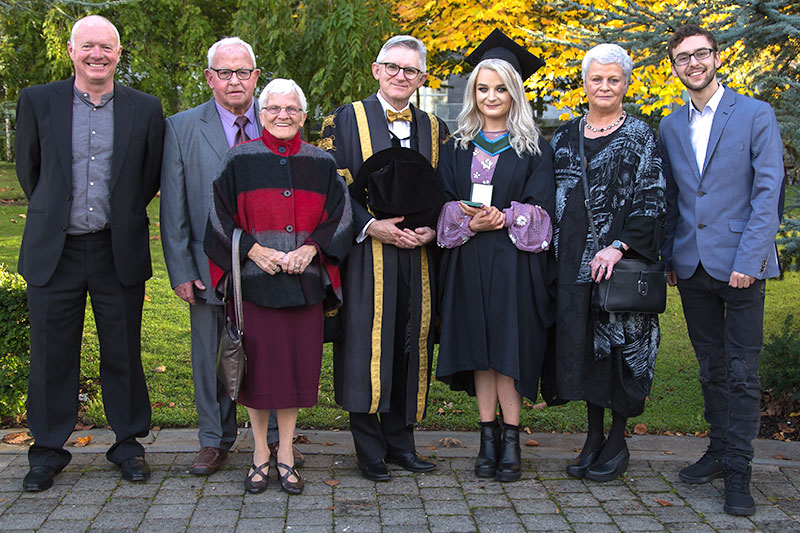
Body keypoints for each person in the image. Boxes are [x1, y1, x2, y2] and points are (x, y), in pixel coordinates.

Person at [15, 15, 164, 492]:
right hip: (53, 250)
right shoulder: (39, 100)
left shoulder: (145, 108)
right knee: (51, 355)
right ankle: (48, 450)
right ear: (71, 50)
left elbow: (147, 178)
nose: (97, 54)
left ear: (119, 54)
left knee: (122, 351)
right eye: (88, 46)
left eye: (107, 46)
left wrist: (117, 215)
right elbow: (29, 170)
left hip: (114, 248)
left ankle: (127, 444)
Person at [160, 37, 302, 476]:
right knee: (210, 354)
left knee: (271, 349)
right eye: (225, 72)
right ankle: (214, 440)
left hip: (269, 262)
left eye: (243, 72)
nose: (235, 80)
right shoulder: (181, 127)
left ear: (256, 76)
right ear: (210, 78)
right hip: (209, 265)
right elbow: (174, 208)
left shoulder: (278, 117)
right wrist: (181, 269)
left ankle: (278, 441)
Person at [659, 24, 784, 516]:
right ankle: (716, 451)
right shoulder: (671, 125)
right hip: (691, 266)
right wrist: (671, 255)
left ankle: (740, 471)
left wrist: (749, 261)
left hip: (741, 268)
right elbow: (673, 198)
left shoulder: (755, 114)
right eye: (683, 58)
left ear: (716, 57)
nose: (693, 63)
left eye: (701, 54)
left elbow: (766, 193)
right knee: (710, 367)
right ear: (674, 66)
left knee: (741, 372)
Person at [204, 79, 352, 494]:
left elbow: (341, 218)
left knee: (290, 372)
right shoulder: (239, 159)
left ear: (303, 115)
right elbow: (217, 219)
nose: (283, 115)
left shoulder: (321, 162)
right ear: (261, 114)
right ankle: (259, 454)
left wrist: (312, 250)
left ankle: (285, 452)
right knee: (256, 374)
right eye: (274, 109)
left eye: (292, 109)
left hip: (303, 285)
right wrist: (252, 251)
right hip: (254, 286)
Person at [319, 35, 449, 481]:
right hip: (366, 256)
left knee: (409, 343)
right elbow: (332, 184)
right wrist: (370, 226)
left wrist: (433, 227)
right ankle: (369, 450)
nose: (400, 76)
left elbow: (443, 190)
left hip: (417, 255)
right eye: (392, 67)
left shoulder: (435, 128)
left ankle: (402, 444)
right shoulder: (344, 119)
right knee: (366, 346)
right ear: (376, 69)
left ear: (422, 77)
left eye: (410, 70)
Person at [435, 29, 556, 483]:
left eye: (500, 88)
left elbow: (543, 210)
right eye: (483, 88)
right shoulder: (456, 147)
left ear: (514, 93)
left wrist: (506, 219)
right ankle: (486, 439)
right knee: (478, 350)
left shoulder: (533, 148)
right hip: (469, 263)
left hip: (512, 265)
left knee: (507, 350)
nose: (491, 96)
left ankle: (511, 440)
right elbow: (443, 203)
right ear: (473, 93)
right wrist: (467, 220)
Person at [548, 43, 665, 483]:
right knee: (587, 351)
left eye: (613, 79)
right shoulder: (563, 137)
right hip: (572, 270)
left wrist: (618, 246)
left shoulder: (641, 136)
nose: (604, 86)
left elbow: (652, 199)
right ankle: (593, 437)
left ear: (625, 84)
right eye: (596, 78)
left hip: (621, 270)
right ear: (584, 83)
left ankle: (618, 441)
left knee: (621, 351)